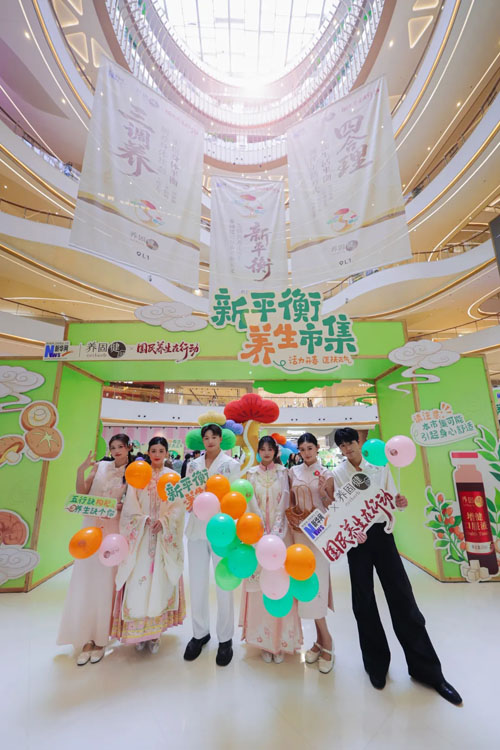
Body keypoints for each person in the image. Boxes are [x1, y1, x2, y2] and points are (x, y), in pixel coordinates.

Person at [332, 427, 462, 705]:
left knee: (402, 597)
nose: (347, 449)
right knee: (363, 601)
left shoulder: (379, 465)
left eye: (350, 443)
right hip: (357, 542)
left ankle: (428, 671)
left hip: (382, 535)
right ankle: (376, 665)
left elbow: (392, 498)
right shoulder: (338, 473)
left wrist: (399, 502)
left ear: (359, 442)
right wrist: (351, 528)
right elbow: (341, 509)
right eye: (342, 446)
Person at [57, 433, 132, 666]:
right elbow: (82, 492)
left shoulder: (133, 471)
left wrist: (119, 507)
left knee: (107, 583)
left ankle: (101, 638)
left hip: (113, 533)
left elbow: (132, 505)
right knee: (87, 580)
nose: (116, 451)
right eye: (113, 447)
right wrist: (81, 470)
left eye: (120, 446)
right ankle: (86, 637)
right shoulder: (100, 467)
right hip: (90, 531)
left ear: (129, 448)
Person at [112, 437, 185, 653]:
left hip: (163, 538)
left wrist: (165, 522)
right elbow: (130, 506)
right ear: (148, 452)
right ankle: (138, 633)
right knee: (139, 581)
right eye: (153, 450)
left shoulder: (173, 477)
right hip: (141, 538)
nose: (157, 454)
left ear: (167, 453)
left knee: (160, 581)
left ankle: (155, 634)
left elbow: (178, 507)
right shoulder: (139, 474)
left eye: (161, 450)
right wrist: (142, 521)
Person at [239, 436, 303, 662]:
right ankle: (264, 642)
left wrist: (275, 531)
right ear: (258, 451)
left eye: (270, 449)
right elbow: (248, 504)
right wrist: (259, 531)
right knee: (260, 588)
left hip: (281, 538)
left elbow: (286, 502)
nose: (266, 452)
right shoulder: (250, 475)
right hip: (256, 540)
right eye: (262, 449)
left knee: (280, 586)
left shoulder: (284, 473)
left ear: (276, 451)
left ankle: (281, 642)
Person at [184, 423, 240, 666]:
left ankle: (225, 639)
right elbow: (187, 494)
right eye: (205, 437)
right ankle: (200, 633)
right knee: (197, 583)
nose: (209, 441)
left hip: (222, 530)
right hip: (196, 529)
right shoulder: (193, 465)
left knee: (224, 584)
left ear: (221, 439)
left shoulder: (231, 465)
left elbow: (236, 498)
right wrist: (188, 502)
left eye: (213, 436)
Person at [288, 433, 335, 674]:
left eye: (310, 448)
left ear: (317, 449)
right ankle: (318, 641)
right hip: (299, 535)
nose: (306, 453)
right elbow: (290, 502)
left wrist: (324, 492)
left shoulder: (326, 473)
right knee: (304, 586)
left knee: (318, 585)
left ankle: (327, 642)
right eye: (302, 449)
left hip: (319, 535)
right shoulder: (292, 472)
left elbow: (332, 506)